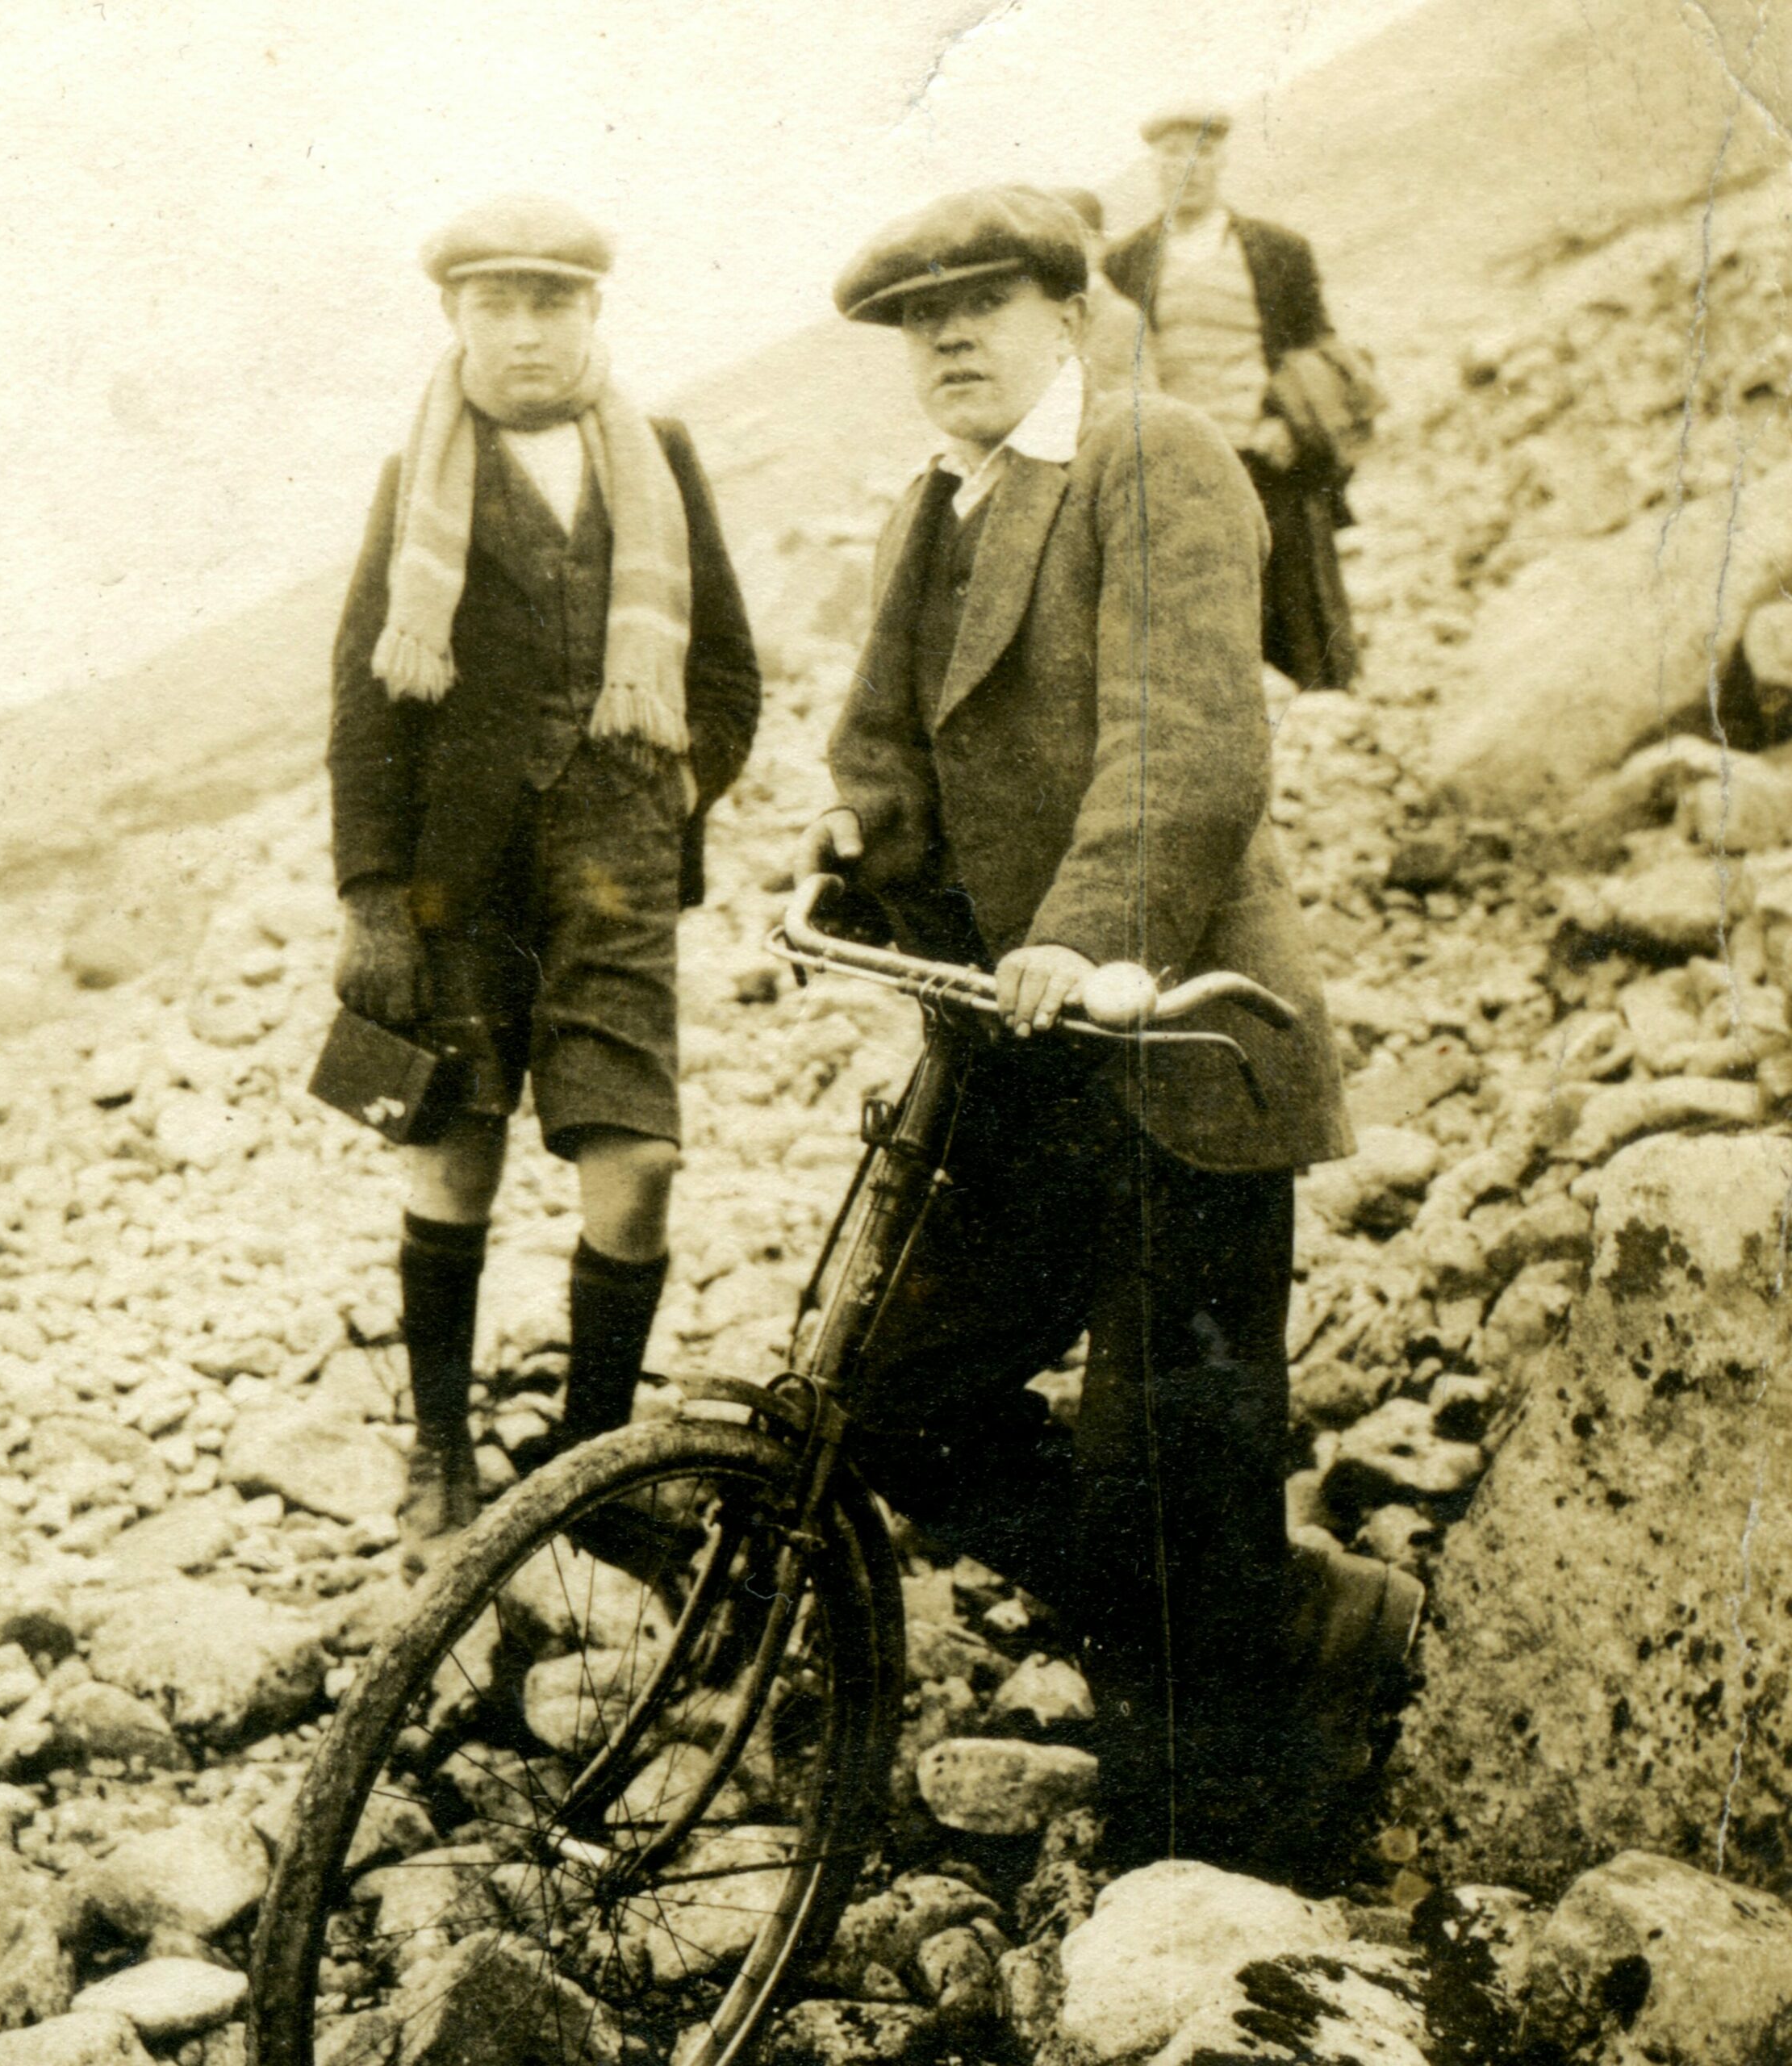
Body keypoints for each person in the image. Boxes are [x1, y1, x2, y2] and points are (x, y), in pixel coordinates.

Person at [798, 184, 1407, 1858]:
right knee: (886, 1389)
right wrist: (850, 843)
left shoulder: (1153, 457)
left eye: (976, 304)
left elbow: (1188, 745)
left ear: (1064, 307)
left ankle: (1224, 1872)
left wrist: (1076, 936)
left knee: (1171, 1459)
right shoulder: (935, 507)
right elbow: (885, 746)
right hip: (1024, 1059)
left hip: (1176, 1041)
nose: (942, 341)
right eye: (913, 322)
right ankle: (1276, 1613)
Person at [326, 194, 762, 1542]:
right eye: (496, 304)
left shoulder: (660, 454)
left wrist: (666, 801)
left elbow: (728, 670)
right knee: (452, 1163)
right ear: (454, 317)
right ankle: (441, 1451)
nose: (524, 331)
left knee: (637, 1167)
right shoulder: (420, 477)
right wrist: (372, 901)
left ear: (593, 313)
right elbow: (362, 703)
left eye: (552, 302)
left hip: (618, 872)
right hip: (458, 882)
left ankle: (590, 1462)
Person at [1105, 107, 1362, 690]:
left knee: (1302, 617)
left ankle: (1329, 736)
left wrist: (1289, 424)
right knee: (1202, 619)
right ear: (1153, 164)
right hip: (1184, 468)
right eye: (1170, 154)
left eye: (1200, 153)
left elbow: (1318, 344)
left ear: (1221, 160)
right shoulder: (1126, 262)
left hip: (1272, 457)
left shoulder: (1279, 249)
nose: (1186, 167)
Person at [1051, 186, 1143, 399]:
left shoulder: (1121, 317)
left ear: (1100, 244)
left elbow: (1139, 403)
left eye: (1079, 240)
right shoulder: (1046, 311)